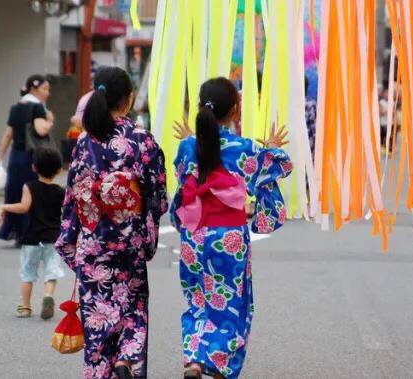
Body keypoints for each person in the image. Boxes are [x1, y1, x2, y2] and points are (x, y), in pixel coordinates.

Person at [171, 77, 292, 379]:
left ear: (199, 108)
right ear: (236, 111)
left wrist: (191, 139)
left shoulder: (188, 147)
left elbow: (183, 173)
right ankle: (221, 365)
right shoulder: (245, 148)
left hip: (194, 237)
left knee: (197, 298)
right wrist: (274, 147)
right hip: (229, 238)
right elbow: (282, 165)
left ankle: (195, 360)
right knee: (230, 302)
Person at [55, 66, 168, 379]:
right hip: (128, 243)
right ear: (128, 99)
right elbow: (157, 197)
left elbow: (73, 197)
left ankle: (104, 367)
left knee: (98, 322)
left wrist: (70, 240)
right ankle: (127, 359)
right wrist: (146, 233)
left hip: (93, 245)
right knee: (133, 310)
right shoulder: (142, 141)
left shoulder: (83, 143)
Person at [0, 146, 65, 319]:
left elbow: (23, 207)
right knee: (52, 272)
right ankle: (48, 295)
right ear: (59, 170)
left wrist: (5, 206)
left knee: (28, 274)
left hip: (31, 239)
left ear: (34, 167)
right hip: (53, 238)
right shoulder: (60, 191)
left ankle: (26, 306)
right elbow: (65, 215)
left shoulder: (29, 187)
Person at [0, 75, 54, 244]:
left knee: (15, 194)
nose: (48, 93)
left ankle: (17, 232)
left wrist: (0, 155)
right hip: (30, 158)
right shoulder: (38, 108)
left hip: (15, 157)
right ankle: (29, 232)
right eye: (45, 89)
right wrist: (50, 120)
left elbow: (8, 134)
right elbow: (41, 130)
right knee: (32, 194)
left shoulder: (15, 107)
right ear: (33, 89)